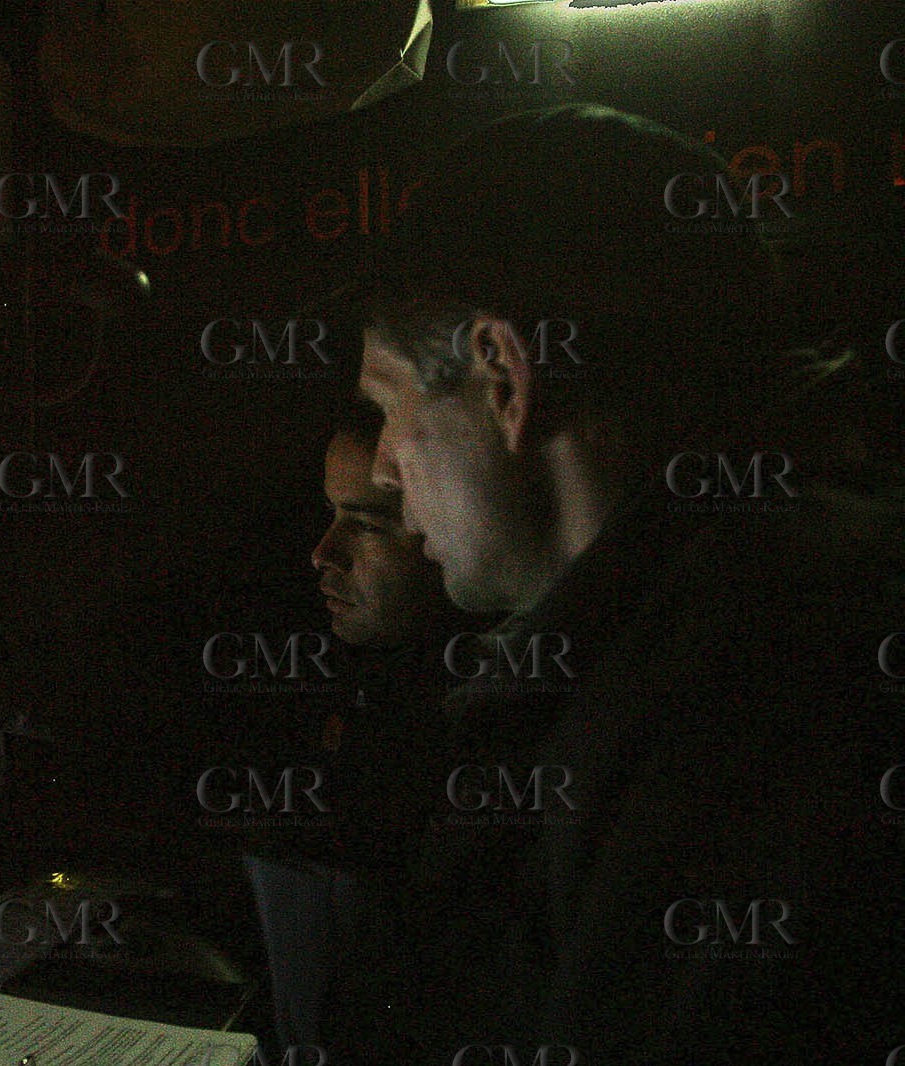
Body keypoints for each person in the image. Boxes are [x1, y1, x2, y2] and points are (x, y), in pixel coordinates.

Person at [336, 103, 903, 1064]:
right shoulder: (762, 596)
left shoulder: (742, 706)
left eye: (388, 406)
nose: (385, 469)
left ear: (503, 379)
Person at [0, 413, 475, 1064]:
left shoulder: (470, 731)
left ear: (453, 521)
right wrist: (0, 678)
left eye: (366, 522)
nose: (323, 552)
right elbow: (180, 731)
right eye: (331, 514)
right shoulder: (346, 677)